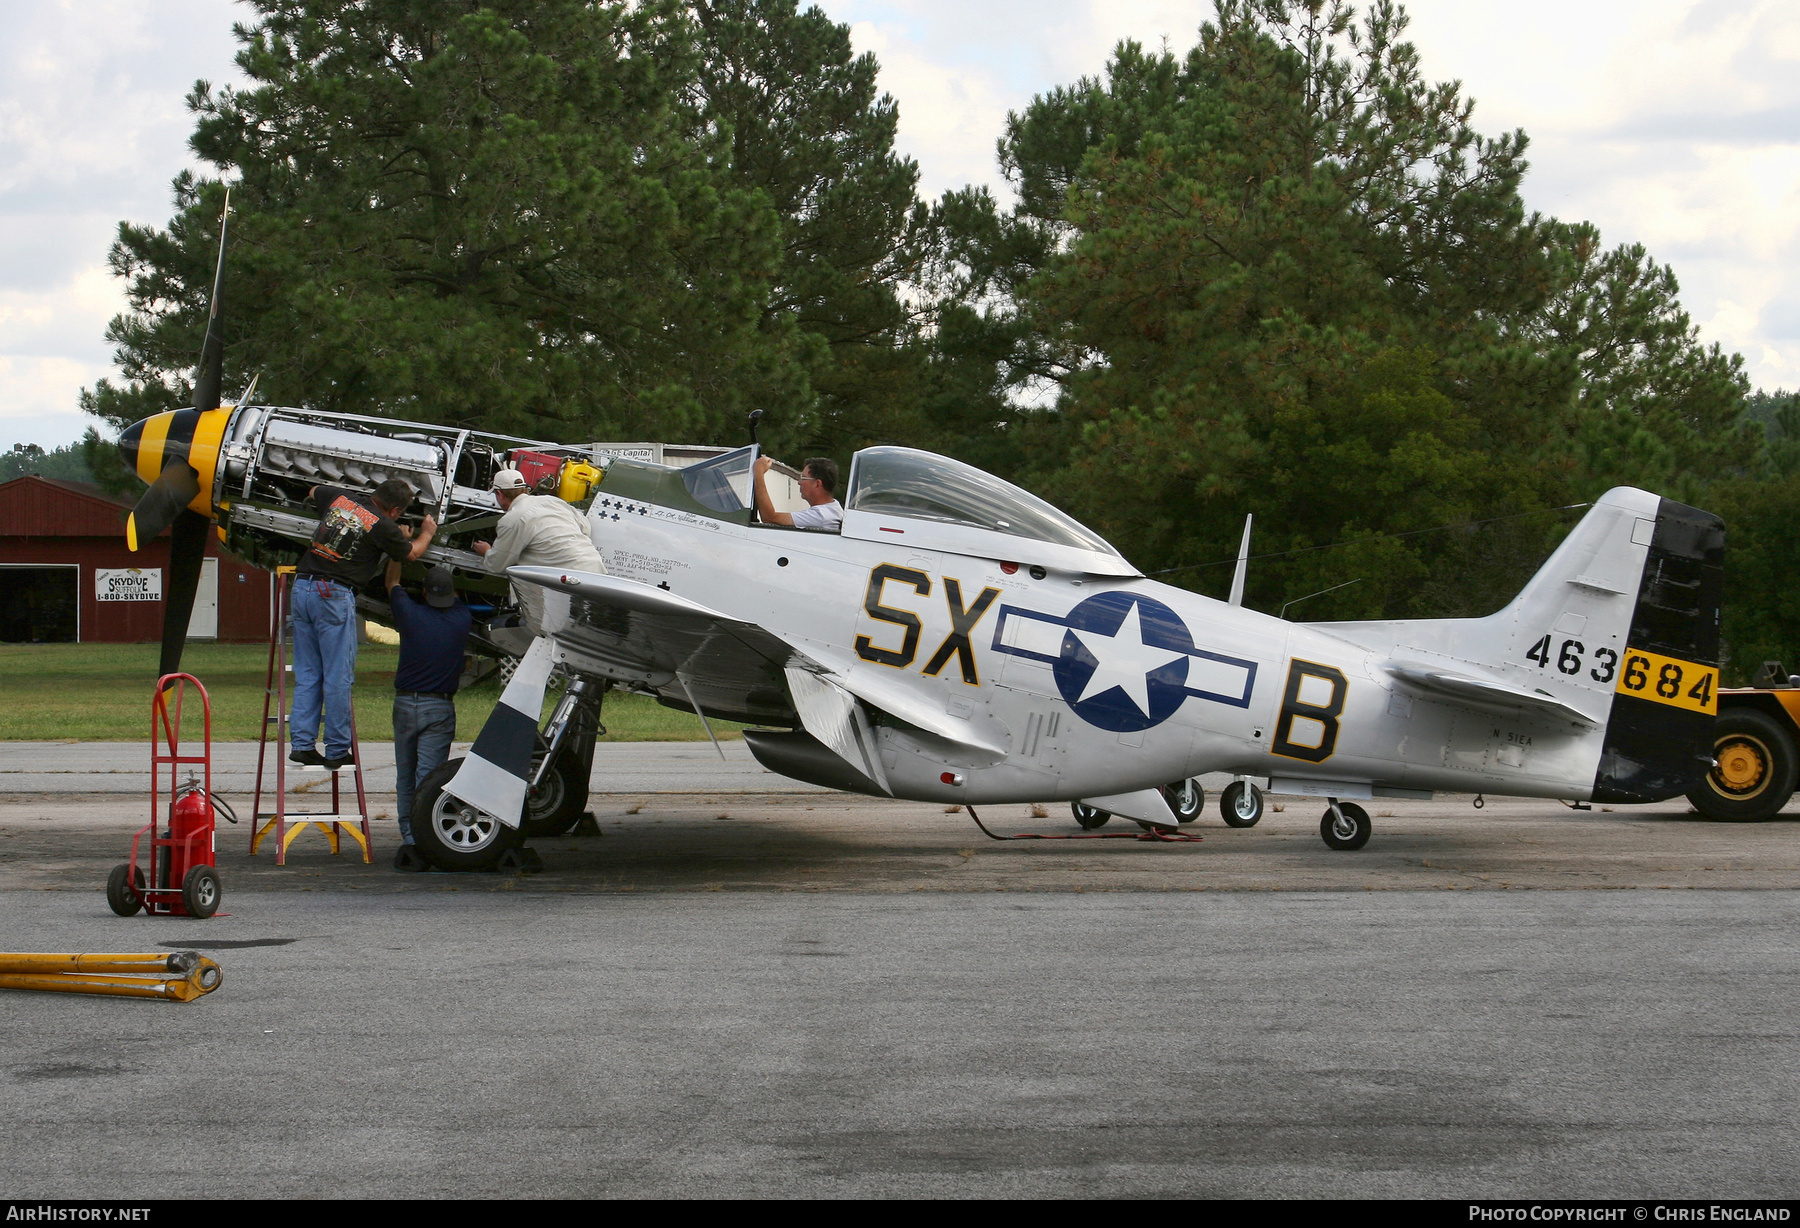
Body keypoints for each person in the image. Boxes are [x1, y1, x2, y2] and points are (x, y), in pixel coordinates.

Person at [290, 478, 437, 771]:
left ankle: (302, 746)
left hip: (302, 587)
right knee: (337, 675)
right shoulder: (383, 526)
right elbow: (411, 553)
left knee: (308, 672)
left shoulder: (339, 497)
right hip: (333, 594)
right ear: (395, 510)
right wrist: (426, 532)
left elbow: (311, 491)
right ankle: (336, 749)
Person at [384, 559, 471, 859]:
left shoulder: (409, 613)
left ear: (423, 593)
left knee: (405, 776)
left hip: (406, 703)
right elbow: (458, 599)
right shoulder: (462, 619)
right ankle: (427, 837)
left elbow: (392, 584)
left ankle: (409, 836)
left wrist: (399, 551)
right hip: (439, 706)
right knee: (429, 779)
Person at [471, 467, 607, 636]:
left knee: (554, 634)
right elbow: (585, 527)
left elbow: (496, 565)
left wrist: (486, 551)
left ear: (499, 494)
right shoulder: (553, 501)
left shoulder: (511, 520)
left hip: (570, 585)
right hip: (596, 570)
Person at [752, 455, 842, 530]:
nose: (799, 482)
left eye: (803, 478)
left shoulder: (822, 516)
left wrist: (758, 472)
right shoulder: (834, 508)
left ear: (817, 484)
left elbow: (770, 518)